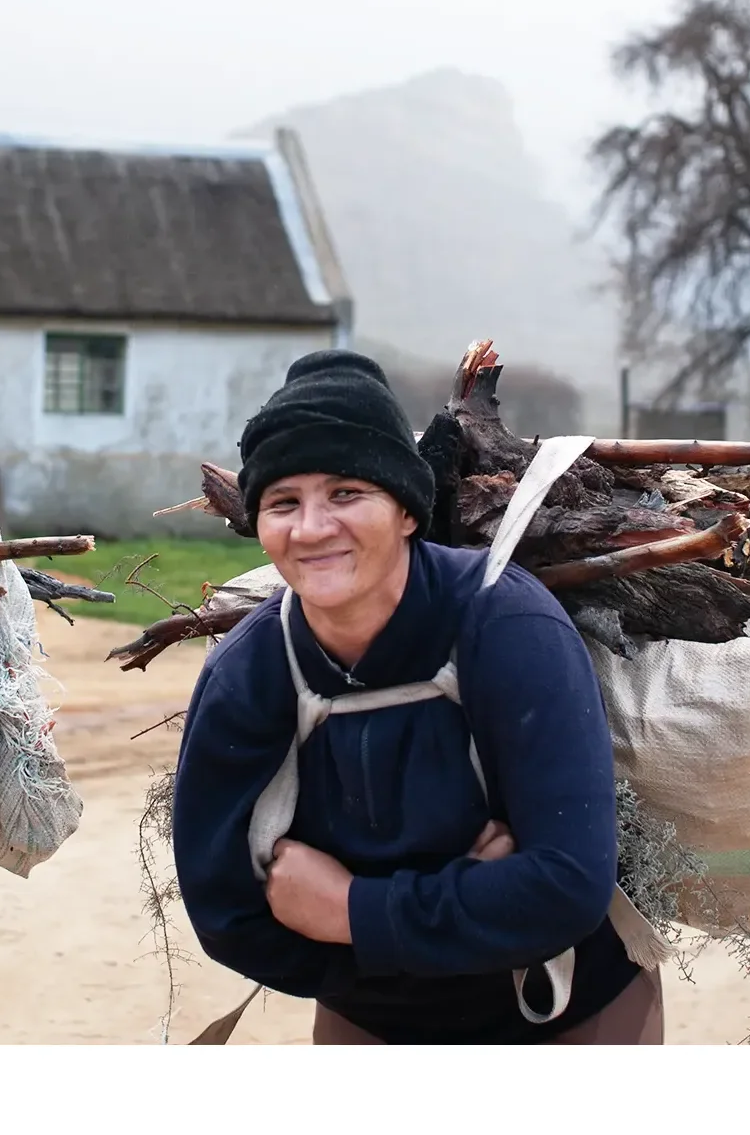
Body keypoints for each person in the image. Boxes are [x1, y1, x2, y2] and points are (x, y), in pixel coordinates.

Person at [170, 351, 662, 1044]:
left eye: (346, 493)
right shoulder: (250, 673)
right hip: (371, 1024)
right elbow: (228, 915)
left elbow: (566, 887)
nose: (312, 528)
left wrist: (349, 910)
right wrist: (470, 913)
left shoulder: (506, 627)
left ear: (406, 510)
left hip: (569, 1007)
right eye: (284, 503)